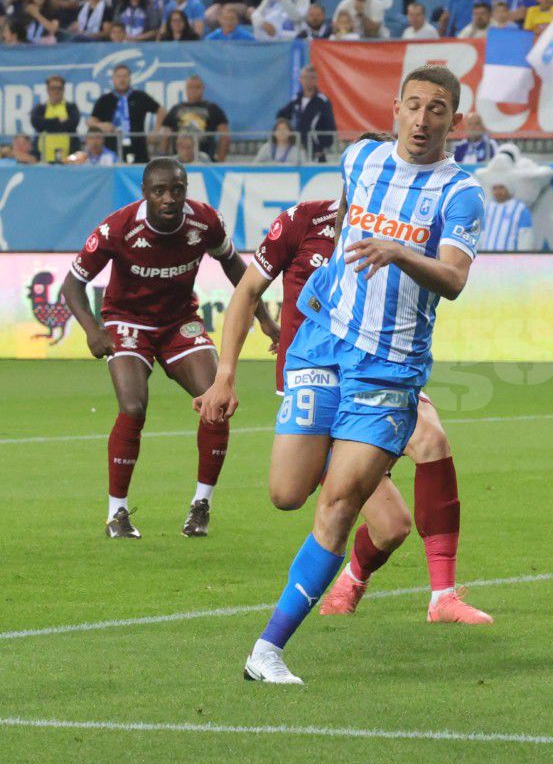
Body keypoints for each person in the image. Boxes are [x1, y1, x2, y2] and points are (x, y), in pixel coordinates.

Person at [197, 65, 488, 684]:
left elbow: (456, 280)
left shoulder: (460, 193)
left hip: (390, 365)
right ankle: (347, 461)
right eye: (413, 106)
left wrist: (401, 252)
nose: (422, 119)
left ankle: (267, 650)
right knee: (285, 493)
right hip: (322, 345)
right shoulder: (360, 162)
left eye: (437, 110)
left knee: (337, 502)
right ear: (393, 110)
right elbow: (343, 236)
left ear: (454, 123)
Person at [59, 158, 279, 540]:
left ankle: (201, 506)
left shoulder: (204, 222)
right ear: (144, 193)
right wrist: (93, 330)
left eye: (177, 189)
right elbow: (72, 285)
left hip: (178, 322)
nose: (169, 198)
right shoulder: (118, 227)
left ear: (185, 190)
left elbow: (236, 271)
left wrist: (264, 318)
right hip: (128, 321)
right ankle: (117, 513)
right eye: (159, 190)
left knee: (217, 401)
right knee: (133, 406)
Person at [89, 64, 164, 164]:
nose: (122, 79)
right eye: (118, 76)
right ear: (113, 79)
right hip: (112, 149)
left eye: (125, 76)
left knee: (140, 175)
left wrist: (156, 130)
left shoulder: (140, 96)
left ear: (130, 78)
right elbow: (91, 121)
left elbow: (161, 110)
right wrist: (101, 126)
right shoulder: (104, 100)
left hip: (138, 147)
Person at [161, 76, 231, 163]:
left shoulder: (213, 108)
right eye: (190, 87)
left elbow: (225, 135)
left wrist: (220, 161)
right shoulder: (176, 109)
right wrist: (163, 161)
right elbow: (165, 136)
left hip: (206, 162)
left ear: (203, 89)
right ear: (185, 89)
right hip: (179, 162)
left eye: (197, 87)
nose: (193, 90)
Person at [276, 64, 337, 162]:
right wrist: (290, 134)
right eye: (305, 77)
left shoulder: (322, 102)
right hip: (298, 149)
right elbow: (281, 115)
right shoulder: (296, 99)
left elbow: (331, 129)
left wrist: (321, 148)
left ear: (316, 80)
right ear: (300, 79)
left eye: (311, 78)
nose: (308, 81)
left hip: (316, 153)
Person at [31, 74, 79, 163]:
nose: (56, 91)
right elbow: (36, 123)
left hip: (68, 159)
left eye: (59, 88)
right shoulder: (41, 108)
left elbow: (72, 123)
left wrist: (47, 124)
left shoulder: (71, 107)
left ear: (63, 90)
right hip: (43, 159)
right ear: (48, 90)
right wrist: (58, 121)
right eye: (53, 88)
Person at [481, 181, 533, 251]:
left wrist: (523, 259)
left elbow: (525, 237)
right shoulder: (487, 208)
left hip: (510, 259)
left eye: (501, 187)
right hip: (486, 258)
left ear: (509, 188)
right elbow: (481, 235)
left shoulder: (520, 209)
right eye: (494, 188)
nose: (498, 191)